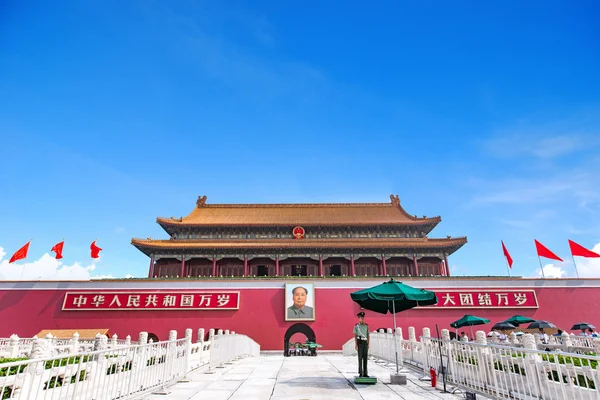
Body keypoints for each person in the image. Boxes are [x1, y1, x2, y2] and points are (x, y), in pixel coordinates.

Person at [353, 311, 370, 377]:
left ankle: (365, 372)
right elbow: (355, 336)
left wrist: (368, 343)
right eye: (361, 318)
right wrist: (356, 344)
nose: (362, 319)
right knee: (360, 357)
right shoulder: (356, 326)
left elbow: (368, 335)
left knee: (365, 357)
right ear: (358, 318)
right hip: (359, 342)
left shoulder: (366, 326)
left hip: (365, 342)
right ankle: (360, 372)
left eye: (363, 318)